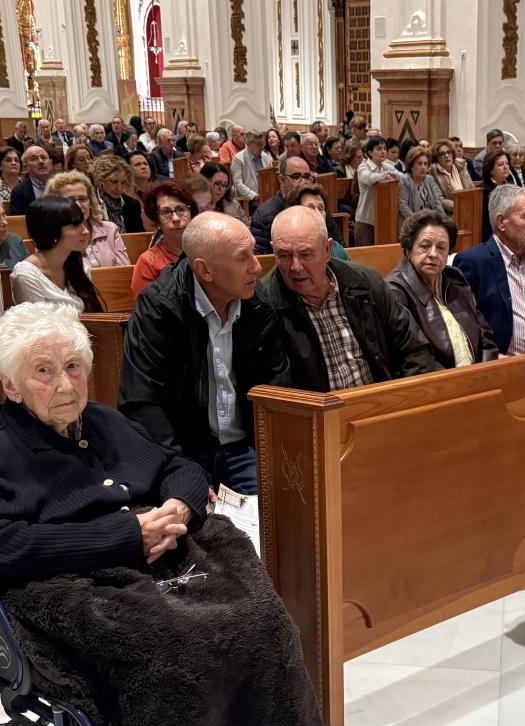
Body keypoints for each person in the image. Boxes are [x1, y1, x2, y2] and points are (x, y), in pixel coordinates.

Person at [0, 301, 330, 726]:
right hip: (66, 583)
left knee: (256, 618)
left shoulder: (103, 422)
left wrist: (178, 505)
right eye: (43, 371)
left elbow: (177, 467)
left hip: (150, 555)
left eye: (73, 366)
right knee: (172, 646)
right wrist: (123, 535)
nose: (64, 384)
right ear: (11, 385)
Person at [119, 211, 288, 496]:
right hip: (184, 453)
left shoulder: (257, 302)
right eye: (241, 257)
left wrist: (274, 451)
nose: (257, 266)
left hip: (245, 449)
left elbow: (278, 380)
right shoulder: (160, 308)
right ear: (205, 270)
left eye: (254, 253)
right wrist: (177, 469)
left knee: (283, 513)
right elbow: (141, 401)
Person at [257, 207, 439, 390]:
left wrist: (401, 403)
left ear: (328, 250)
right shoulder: (262, 307)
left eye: (306, 254)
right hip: (315, 415)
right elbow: (272, 390)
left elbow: (414, 348)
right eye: (285, 255)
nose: (296, 267)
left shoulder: (366, 282)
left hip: (379, 404)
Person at [454, 185, 525, 355]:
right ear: (501, 222)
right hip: (502, 368)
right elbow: (464, 327)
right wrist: (491, 357)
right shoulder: (474, 262)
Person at [385, 211, 498, 368]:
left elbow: (484, 335)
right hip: (439, 385)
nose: (433, 254)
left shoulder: (454, 278)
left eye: (441, 247)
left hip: (478, 377)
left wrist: (486, 371)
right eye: (425, 246)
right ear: (408, 249)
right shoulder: (395, 291)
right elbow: (412, 359)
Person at [11, 196, 104, 311]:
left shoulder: (81, 267)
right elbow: (37, 324)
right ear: (51, 229)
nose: (85, 231)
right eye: (75, 226)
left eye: (83, 224)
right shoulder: (26, 274)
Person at [250, 154, 344, 252]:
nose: (303, 181)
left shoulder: (319, 209)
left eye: (307, 177)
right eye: (296, 176)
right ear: (281, 179)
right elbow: (263, 259)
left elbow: (340, 247)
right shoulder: (263, 215)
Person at [45, 170, 129, 268]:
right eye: (69, 200)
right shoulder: (49, 236)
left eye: (82, 199)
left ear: (90, 202)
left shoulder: (110, 229)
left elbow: (124, 271)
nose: (78, 205)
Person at [133, 181, 200, 295]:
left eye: (180, 209)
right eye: (166, 212)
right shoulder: (148, 263)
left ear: (191, 213)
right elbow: (147, 308)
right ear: (157, 221)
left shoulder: (207, 251)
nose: (175, 218)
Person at [353, 137, 400, 246]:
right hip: (366, 220)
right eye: (379, 149)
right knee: (364, 257)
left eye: (384, 148)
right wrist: (382, 176)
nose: (383, 151)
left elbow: (401, 177)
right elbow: (369, 178)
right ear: (370, 152)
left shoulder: (386, 166)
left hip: (383, 219)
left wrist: (393, 175)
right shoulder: (363, 167)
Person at [90, 155, 146, 233]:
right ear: (101, 179)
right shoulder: (90, 203)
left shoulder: (132, 204)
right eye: (114, 182)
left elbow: (140, 237)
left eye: (123, 183)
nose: (119, 188)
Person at [293, 186, 351, 260]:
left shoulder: (337, 250)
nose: (318, 214)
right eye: (310, 208)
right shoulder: (289, 252)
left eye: (321, 209)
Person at [398, 146, 444, 221]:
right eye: (419, 164)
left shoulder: (429, 179)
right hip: (412, 223)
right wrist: (418, 223)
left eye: (425, 164)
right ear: (411, 165)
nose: (423, 167)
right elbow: (403, 206)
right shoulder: (405, 180)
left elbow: (437, 202)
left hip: (430, 222)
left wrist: (443, 220)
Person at [480, 151, 515, 241]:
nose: (506, 167)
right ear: (490, 170)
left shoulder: (512, 185)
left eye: (507, 164)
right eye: (500, 165)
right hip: (493, 235)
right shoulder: (485, 191)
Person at [8, 145, 53, 216]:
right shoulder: (19, 191)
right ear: (26, 167)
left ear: (50, 164)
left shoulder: (61, 185)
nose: (41, 161)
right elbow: (18, 222)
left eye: (43, 158)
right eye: (34, 159)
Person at [430, 138, 472, 212]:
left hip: (467, 208)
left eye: (449, 152)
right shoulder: (433, 172)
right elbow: (440, 200)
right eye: (442, 154)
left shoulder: (461, 167)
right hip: (448, 213)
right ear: (437, 158)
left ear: (453, 154)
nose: (446, 156)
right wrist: (459, 206)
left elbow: (471, 188)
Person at [230, 129, 272, 202]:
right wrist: (253, 195)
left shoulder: (267, 158)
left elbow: (270, 180)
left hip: (266, 197)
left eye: (262, 144)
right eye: (259, 144)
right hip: (248, 199)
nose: (262, 148)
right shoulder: (238, 159)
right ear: (248, 143)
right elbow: (237, 182)